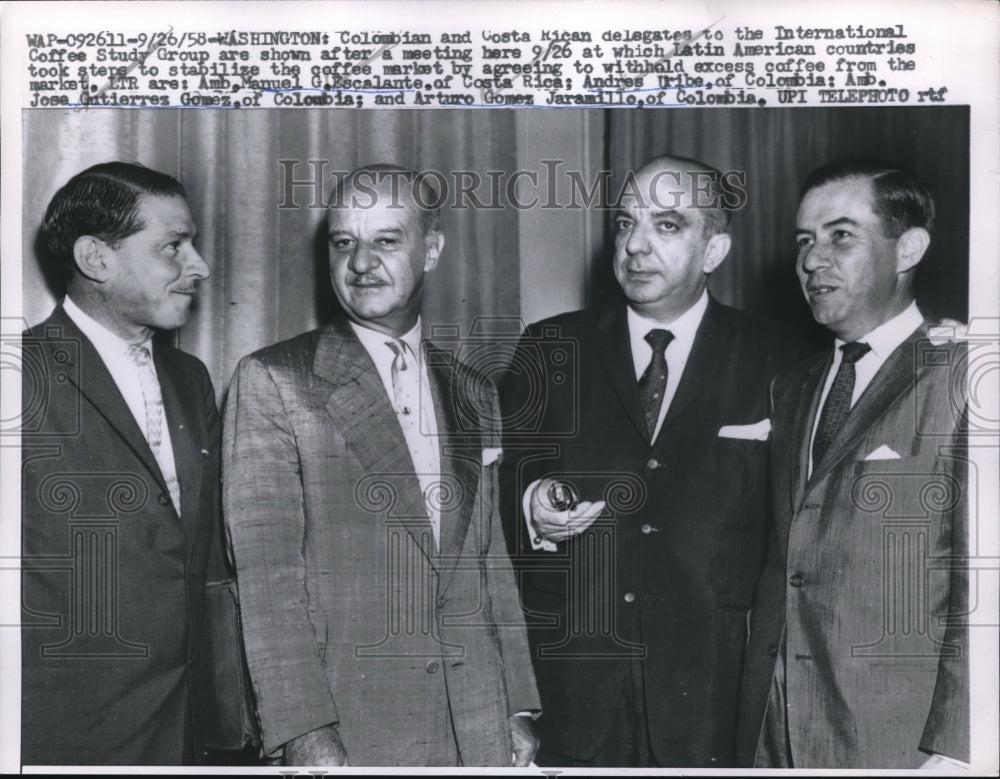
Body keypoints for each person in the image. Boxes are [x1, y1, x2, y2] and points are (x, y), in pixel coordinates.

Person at [222, 164, 541, 767]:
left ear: (433, 250)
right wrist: (304, 731)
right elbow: (267, 581)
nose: (362, 262)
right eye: (345, 242)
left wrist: (517, 705)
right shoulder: (273, 379)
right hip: (349, 728)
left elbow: (489, 563)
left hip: (475, 722)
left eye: (387, 240)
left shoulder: (474, 390)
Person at [498, 155, 807, 767]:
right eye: (623, 223)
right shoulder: (550, 345)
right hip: (576, 691)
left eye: (667, 225)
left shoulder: (785, 358)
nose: (636, 246)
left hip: (716, 696)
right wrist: (531, 504)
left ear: (714, 250)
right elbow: (498, 489)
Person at [736, 158, 969, 768]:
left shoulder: (965, 375)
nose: (813, 260)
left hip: (901, 738)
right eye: (805, 241)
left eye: (841, 235)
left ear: (908, 247)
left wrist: (961, 745)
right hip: (778, 730)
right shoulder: (791, 386)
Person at [21, 161, 224, 764]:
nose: (200, 266)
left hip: (189, 729)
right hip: (67, 737)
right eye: (173, 247)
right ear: (96, 258)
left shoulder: (191, 379)